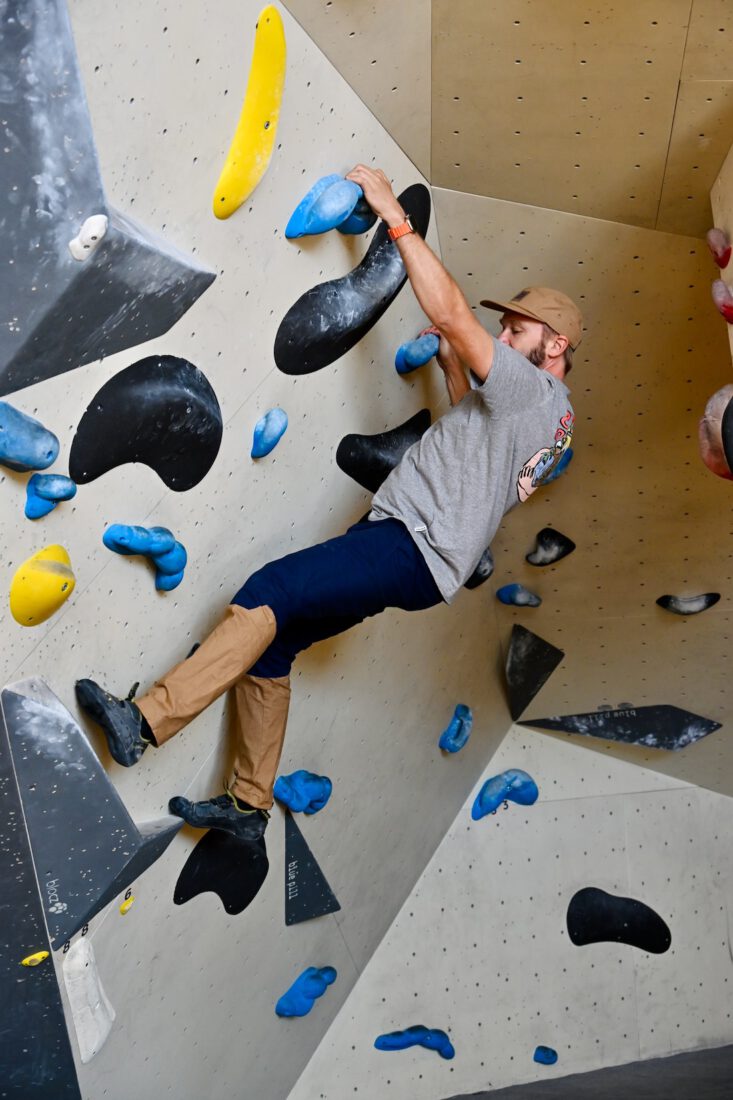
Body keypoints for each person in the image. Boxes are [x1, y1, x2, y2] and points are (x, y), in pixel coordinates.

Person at [76, 165, 582, 849]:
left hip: (411, 543)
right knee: (275, 642)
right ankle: (250, 807)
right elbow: (480, 431)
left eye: (515, 331)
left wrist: (391, 216)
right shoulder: (552, 421)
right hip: (421, 558)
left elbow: (451, 314)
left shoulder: (535, 392)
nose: (503, 337)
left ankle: (144, 723)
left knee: (269, 591)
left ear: (554, 346)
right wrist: (451, 369)